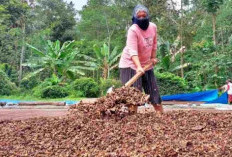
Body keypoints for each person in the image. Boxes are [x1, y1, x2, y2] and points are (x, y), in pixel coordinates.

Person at [119, 4, 163, 113]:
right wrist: (138, 67)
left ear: (148, 16)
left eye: (144, 15)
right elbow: (132, 51)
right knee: (133, 98)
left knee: (154, 94)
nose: (142, 18)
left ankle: (161, 117)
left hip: (146, 64)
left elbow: (154, 44)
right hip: (130, 65)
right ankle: (132, 123)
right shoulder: (133, 30)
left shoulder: (153, 27)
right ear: (135, 18)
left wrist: (153, 58)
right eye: (139, 16)